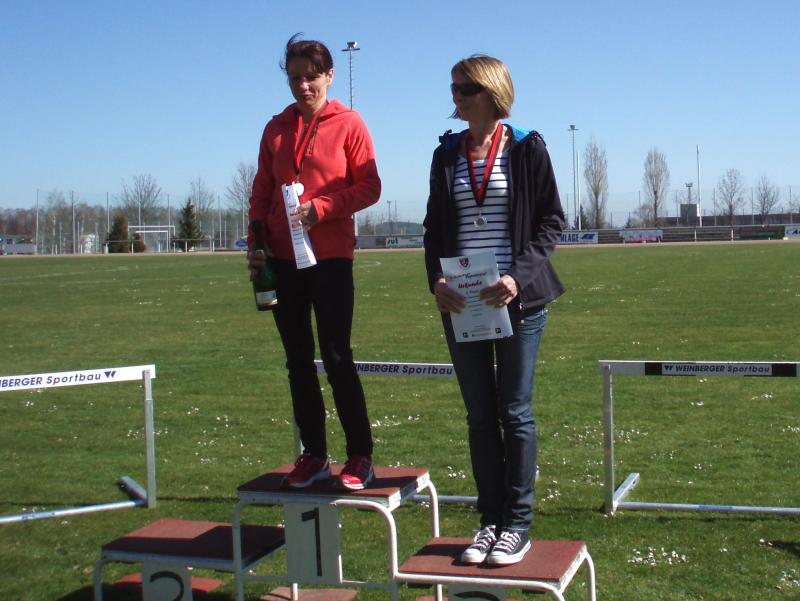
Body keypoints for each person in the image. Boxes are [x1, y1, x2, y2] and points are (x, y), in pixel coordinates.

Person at [423, 55, 565, 565]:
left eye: (465, 88)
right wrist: (437, 281)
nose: (456, 97)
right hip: (462, 301)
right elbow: (433, 229)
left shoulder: (527, 147)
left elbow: (552, 222)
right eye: (453, 87)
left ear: (492, 92)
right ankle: (489, 521)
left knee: (514, 412)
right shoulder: (446, 154)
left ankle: (517, 525)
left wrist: (515, 277)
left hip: (517, 300)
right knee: (480, 416)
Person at [248, 35, 381, 490]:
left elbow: (370, 187)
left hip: (330, 258)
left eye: (311, 77)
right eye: (294, 78)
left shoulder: (350, 123)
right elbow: (262, 191)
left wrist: (321, 209)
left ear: (329, 75)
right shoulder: (276, 128)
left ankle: (360, 455)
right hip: (282, 259)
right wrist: (256, 242)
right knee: (298, 361)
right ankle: (314, 455)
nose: (303, 86)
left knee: (338, 356)